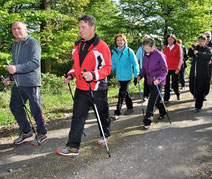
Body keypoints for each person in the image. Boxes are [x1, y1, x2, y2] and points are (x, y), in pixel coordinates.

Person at [56, 15, 112, 156]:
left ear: (92, 28)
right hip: (81, 88)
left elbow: (107, 67)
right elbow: (76, 66)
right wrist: (71, 74)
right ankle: (73, 147)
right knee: (78, 117)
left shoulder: (102, 46)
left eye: (83, 27)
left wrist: (94, 75)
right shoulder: (77, 45)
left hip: (97, 88)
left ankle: (105, 134)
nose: (80, 30)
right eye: (79, 27)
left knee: (102, 114)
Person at [3, 21, 47, 145]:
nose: (16, 31)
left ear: (26, 29)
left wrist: (16, 68)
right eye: (13, 29)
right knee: (15, 106)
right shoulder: (15, 45)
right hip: (18, 83)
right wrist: (10, 77)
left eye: (19, 28)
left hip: (31, 82)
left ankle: (42, 133)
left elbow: (35, 63)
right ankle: (26, 131)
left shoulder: (33, 43)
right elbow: (16, 66)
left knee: (35, 109)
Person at [137, 38, 168, 129]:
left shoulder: (160, 55)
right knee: (157, 100)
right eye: (144, 48)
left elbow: (165, 70)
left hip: (158, 82)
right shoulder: (146, 55)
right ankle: (163, 111)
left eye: (147, 48)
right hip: (149, 81)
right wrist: (140, 76)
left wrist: (158, 79)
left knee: (151, 101)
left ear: (153, 46)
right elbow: (144, 69)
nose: (145, 50)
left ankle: (147, 120)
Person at [110, 34, 139, 120]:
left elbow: (135, 63)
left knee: (121, 94)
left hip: (127, 76)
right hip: (119, 76)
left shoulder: (129, 51)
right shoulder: (114, 52)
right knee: (126, 93)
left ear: (124, 41)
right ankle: (130, 108)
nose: (119, 42)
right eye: (117, 40)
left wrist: (136, 75)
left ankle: (117, 112)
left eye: (121, 40)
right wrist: (107, 73)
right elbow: (112, 64)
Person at [188, 34, 212, 112]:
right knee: (192, 88)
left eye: (202, 41)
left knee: (200, 89)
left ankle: (198, 106)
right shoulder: (196, 47)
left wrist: (198, 53)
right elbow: (189, 54)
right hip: (194, 71)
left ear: (205, 41)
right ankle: (198, 97)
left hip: (203, 72)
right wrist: (192, 47)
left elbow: (209, 56)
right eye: (199, 41)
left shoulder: (207, 49)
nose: (200, 42)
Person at [163, 34, 183, 103]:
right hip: (167, 68)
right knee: (166, 84)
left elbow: (180, 58)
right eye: (168, 39)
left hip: (175, 68)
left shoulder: (178, 46)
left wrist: (178, 68)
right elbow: (163, 57)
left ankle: (177, 93)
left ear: (174, 39)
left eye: (171, 39)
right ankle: (166, 99)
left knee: (174, 84)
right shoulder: (166, 47)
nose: (169, 40)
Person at [136, 35, 151, 101]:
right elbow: (136, 58)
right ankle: (146, 95)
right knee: (146, 81)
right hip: (144, 68)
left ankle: (151, 94)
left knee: (151, 81)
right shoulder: (141, 49)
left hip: (151, 68)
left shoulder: (152, 48)